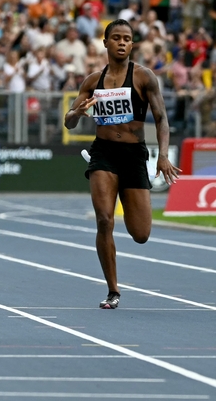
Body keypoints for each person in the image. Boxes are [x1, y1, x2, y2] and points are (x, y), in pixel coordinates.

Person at [64, 19, 180, 309]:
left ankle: (132, 214)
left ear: (132, 44)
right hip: (103, 152)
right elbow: (69, 121)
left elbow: (161, 119)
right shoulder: (92, 81)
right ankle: (113, 290)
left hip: (134, 155)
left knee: (141, 234)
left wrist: (162, 155)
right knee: (104, 220)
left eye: (127, 38)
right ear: (105, 42)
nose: (122, 43)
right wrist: (77, 113)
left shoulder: (144, 77)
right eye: (116, 38)